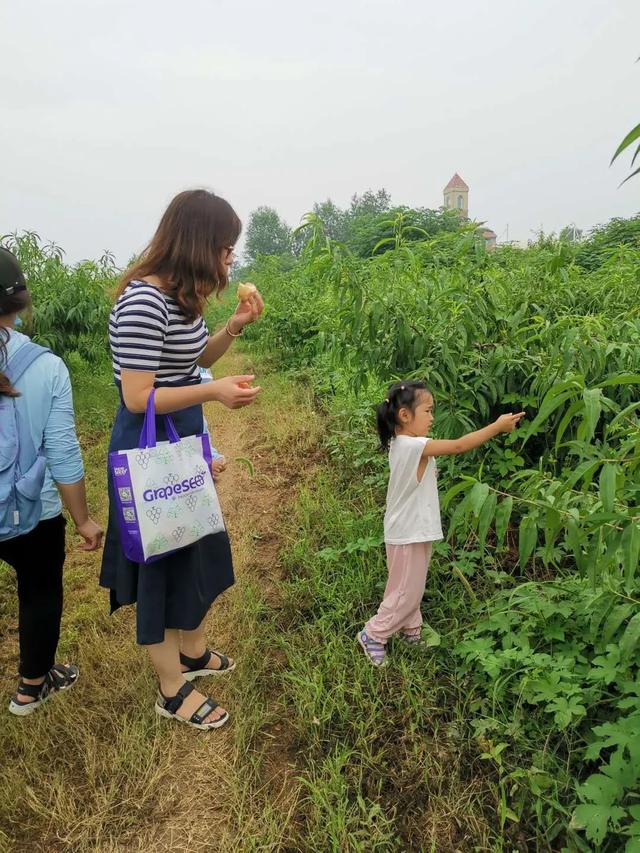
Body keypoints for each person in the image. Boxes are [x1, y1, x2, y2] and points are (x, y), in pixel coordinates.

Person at [100, 189, 263, 731]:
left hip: (178, 442)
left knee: (193, 546)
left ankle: (190, 654)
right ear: (198, 243)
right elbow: (138, 396)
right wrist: (212, 394)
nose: (229, 259)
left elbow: (190, 361)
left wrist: (234, 325)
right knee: (163, 563)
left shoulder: (179, 298)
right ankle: (172, 688)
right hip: (151, 446)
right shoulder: (144, 300)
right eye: (224, 247)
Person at [0, 247, 103, 716]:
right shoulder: (46, 366)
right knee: (40, 589)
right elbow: (62, 453)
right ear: (22, 303)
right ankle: (31, 687)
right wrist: (82, 520)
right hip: (29, 510)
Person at [358, 381, 525, 667]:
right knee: (404, 590)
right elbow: (460, 445)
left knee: (412, 585)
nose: (433, 417)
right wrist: (496, 427)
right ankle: (374, 633)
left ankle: (411, 629)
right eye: (428, 410)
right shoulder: (412, 445)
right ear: (405, 415)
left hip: (413, 529)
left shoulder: (405, 444)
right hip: (407, 532)